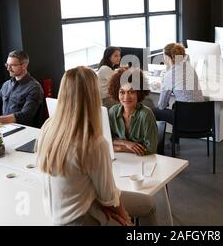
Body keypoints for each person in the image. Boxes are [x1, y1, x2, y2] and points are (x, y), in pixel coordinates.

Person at [36, 66, 157, 226]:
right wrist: (127, 221)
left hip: (57, 213)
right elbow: (109, 198)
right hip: (81, 217)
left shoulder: (48, 127)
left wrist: (100, 202)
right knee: (148, 205)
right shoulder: (93, 142)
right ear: (93, 94)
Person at [0, 50, 44, 127]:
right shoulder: (6, 85)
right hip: (7, 127)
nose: (8, 68)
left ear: (24, 65)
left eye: (12, 65)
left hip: (25, 131)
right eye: (7, 65)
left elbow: (25, 115)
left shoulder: (34, 88)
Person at [108, 67, 157, 156]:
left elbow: (151, 148)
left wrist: (119, 148)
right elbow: (107, 140)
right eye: (122, 92)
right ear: (116, 93)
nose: (126, 97)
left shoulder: (146, 115)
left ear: (139, 93)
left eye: (131, 92)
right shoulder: (112, 112)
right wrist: (126, 143)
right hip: (121, 162)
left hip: (143, 162)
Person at [152, 43, 204, 125]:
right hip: (202, 115)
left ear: (168, 57)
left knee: (152, 111)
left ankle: (157, 136)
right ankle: (174, 135)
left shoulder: (170, 75)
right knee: (175, 106)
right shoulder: (190, 68)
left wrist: (164, 87)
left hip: (185, 118)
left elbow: (161, 106)